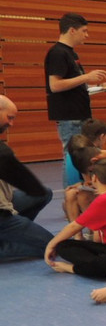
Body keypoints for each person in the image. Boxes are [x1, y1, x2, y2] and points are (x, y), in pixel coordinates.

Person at [45, 158, 106, 279]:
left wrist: (50, 245)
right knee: (63, 245)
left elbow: (74, 226)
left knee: (101, 263)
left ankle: (73, 268)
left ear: (94, 178)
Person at [45, 13, 106, 186]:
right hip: (69, 117)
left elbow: (76, 87)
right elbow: (55, 85)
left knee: (83, 156)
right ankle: (70, 194)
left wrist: (99, 88)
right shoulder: (58, 53)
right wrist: (86, 77)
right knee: (71, 156)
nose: (86, 35)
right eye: (84, 31)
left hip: (79, 114)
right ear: (72, 30)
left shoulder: (71, 54)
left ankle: (83, 190)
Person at [0, 96, 54, 261]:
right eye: (9, 118)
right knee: (51, 246)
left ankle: (12, 232)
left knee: (43, 193)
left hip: (6, 202)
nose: (11, 124)